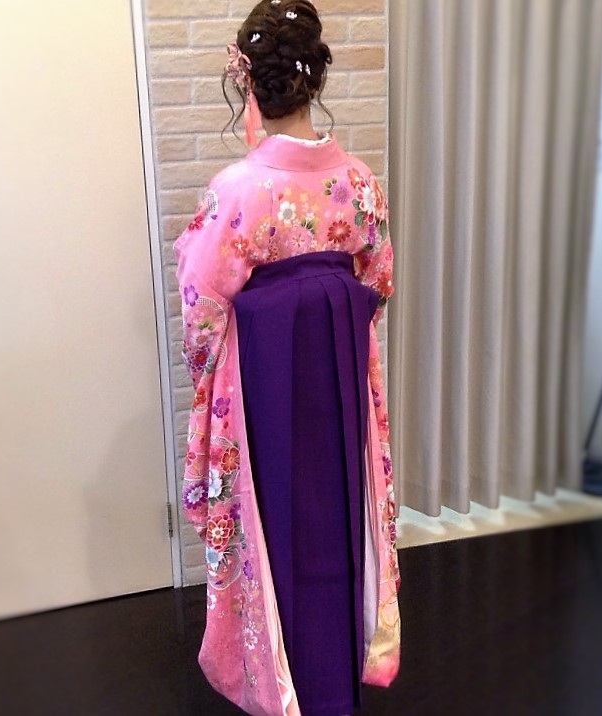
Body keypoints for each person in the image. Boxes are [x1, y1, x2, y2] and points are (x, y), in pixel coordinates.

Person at [174, 2, 401, 714]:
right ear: (316, 79)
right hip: (338, 374)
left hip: (264, 384)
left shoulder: (239, 190)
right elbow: (377, 283)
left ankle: (277, 677)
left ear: (248, 82)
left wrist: (209, 367)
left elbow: (203, 304)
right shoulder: (357, 181)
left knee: (272, 521)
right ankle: (335, 670)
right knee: (340, 513)